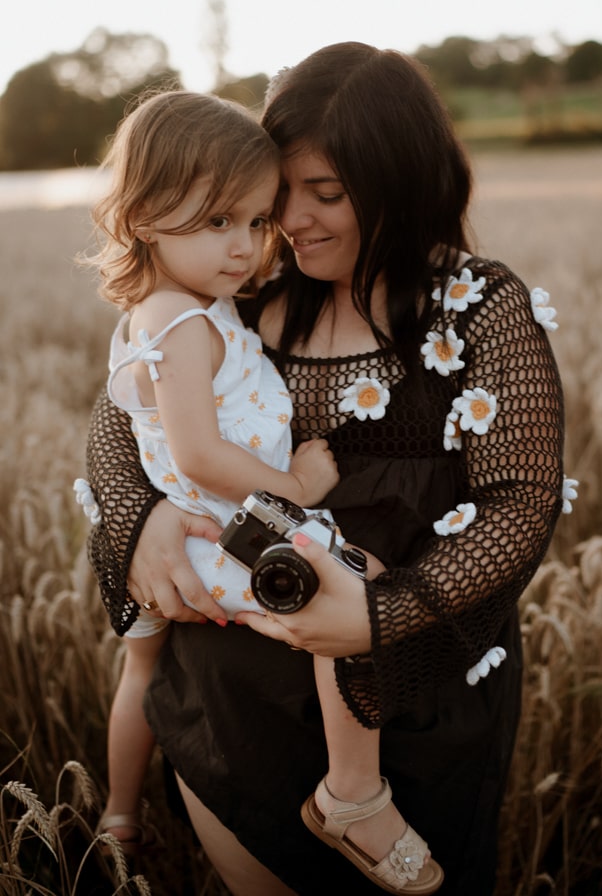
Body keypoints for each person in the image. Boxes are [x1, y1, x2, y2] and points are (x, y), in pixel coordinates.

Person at [83, 43, 566, 895]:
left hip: (418, 687)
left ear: (399, 180)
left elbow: (521, 500)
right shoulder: (247, 297)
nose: (291, 222)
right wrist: (143, 518)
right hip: (238, 691)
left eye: (326, 194)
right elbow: (126, 415)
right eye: (278, 199)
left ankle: (357, 794)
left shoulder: (479, 305)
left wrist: (383, 614)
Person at [78, 88, 443, 892]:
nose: (245, 247)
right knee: (353, 605)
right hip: (221, 535)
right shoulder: (179, 322)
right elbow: (201, 456)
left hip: (218, 527)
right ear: (142, 215)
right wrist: (294, 483)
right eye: (217, 223)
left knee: (138, 673)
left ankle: (120, 815)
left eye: (253, 221)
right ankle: (351, 794)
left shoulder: (188, 307)